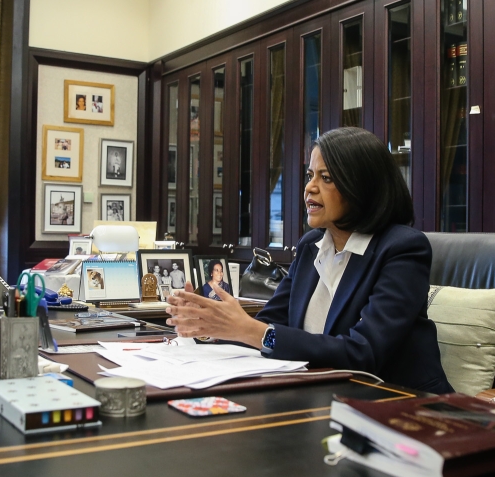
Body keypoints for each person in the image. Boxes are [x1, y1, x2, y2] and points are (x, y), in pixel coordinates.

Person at [166, 126, 453, 394]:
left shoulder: (402, 249)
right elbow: (271, 321)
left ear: (362, 187)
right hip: (319, 392)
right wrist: (209, 326)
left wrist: (254, 331)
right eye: (309, 175)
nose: (310, 188)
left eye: (325, 178)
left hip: (397, 403)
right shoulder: (310, 245)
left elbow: (364, 353)